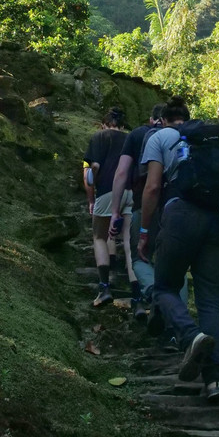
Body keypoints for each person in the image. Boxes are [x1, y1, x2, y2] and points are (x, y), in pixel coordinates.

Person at [138, 96, 219, 399]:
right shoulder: (215, 146)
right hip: (217, 221)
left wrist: (145, 231)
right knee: (211, 302)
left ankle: (190, 335)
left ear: (163, 118)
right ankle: (214, 381)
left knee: (164, 287)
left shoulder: (160, 138)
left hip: (181, 215)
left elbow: (153, 187)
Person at [108, 102, 166, 320]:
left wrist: (115, 211)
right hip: (177, 209)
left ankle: (143, 299)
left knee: (140, 256)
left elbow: (121, 173)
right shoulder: (181, 135)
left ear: (152, 120)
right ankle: (174, 318)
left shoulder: (138, 134)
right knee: (169, 262)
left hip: (144, 204)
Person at [83, 107, 134, 306]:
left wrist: (91, 191)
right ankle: (138, 296)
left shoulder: (99, 137)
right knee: (130, 245)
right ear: (122, 125)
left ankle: (104, 287)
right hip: (130, 193)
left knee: (99, 236)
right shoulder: (131, 138)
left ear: (104, 124)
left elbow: (93, 167)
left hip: (107, 191)